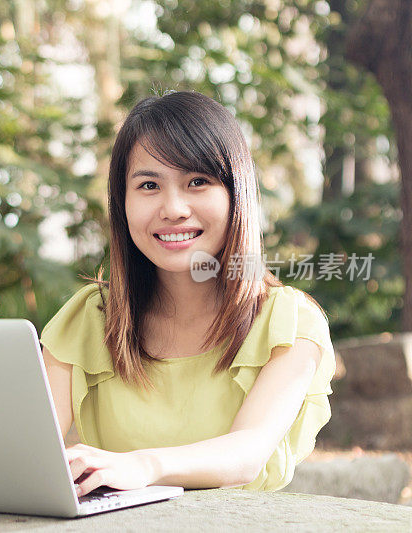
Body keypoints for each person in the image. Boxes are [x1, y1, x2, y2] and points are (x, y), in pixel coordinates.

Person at [39, 91, 336, 495]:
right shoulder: (89, 317)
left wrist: (144, 465)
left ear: (236, 195)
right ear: (122, 203)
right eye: (148, 185)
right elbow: (29, 451)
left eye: (197, 181)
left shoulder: (288, 321)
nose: (173, 208)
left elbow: (246, 454)